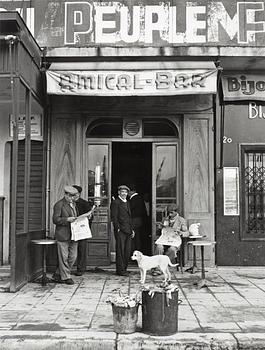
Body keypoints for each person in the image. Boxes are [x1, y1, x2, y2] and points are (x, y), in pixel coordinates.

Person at [52, 185, 79, 285]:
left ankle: (58, 274)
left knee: (72, 256)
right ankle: (66, 277)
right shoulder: (59, 205)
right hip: (63, 235)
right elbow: (55, 220)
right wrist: (67, 219)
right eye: (71, 196)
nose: (72, 198)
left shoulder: (74, 204)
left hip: (74, 234)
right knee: (63, 257)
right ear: (66, 195)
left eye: (74, 196)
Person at [153, 204, 188, 275]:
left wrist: (181, 233)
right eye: (169, 212)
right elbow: (161, 230)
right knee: (159, 247)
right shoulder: (165, 219)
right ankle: (158, 267)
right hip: (165, 240)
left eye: (171, 212)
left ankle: (161, 266)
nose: (170, 214)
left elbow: (186, 233)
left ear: (176, 212)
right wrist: (160, 228)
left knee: (172, 249)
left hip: (174, 241)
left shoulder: (181, 220)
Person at [110, 185, 135, 276]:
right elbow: (114, 217)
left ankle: (124, 268)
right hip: (121, 230)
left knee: (127, 250)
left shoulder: (127, 202)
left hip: (128, 230)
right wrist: (117, 229)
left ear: (127, 193)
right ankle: (120, 270)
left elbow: (129, 217)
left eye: (125, 192)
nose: (124, 193)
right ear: (119, 193)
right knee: (120, 250)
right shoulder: (116, 203)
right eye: (122, 192)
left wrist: (132, 229)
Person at [72, 185, 93, 276]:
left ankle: (80, 269)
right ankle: (67, 268)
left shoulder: (85, 203)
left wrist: (85, 225)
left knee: (81, 249)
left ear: (79, 194)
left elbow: (90, 216)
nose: (74, 195)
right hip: (71, 229)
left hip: (81, 230)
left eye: (76, 194)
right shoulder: (69, 202)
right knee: (71, 250)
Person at [129, 184, 147, 252]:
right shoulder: (139, 197)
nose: (127, 193)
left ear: (132, 191)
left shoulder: (134, 198)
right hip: (139, 220)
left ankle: (135, 251)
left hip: (134, 220)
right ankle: (137, 251)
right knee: (137, 236)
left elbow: (130, 209)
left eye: (128, 191)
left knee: (134, 237)